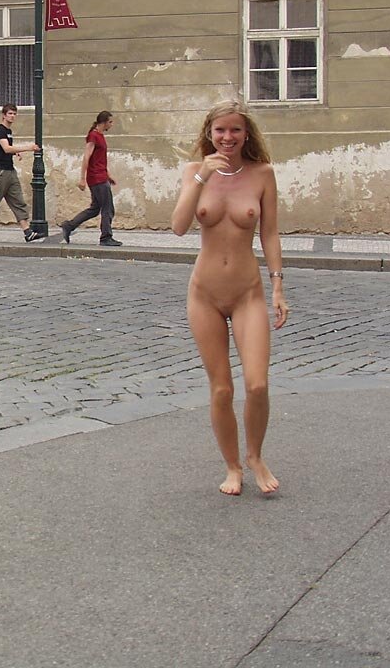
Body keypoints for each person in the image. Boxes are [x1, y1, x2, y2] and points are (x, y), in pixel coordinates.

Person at [171, 100, 289, 496]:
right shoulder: (194, 170)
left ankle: (255, 456)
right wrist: (201, 176)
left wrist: (277, 286)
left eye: (235, 129)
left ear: (246, 133)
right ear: (209, 132)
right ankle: (232, 466)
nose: (227, 137)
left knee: (257, 385)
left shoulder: (262, 174)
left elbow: (269, 233)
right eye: (220, 130)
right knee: (221, 389)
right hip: (204, 295)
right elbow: (178, 226)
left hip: (247, 294)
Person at [0, 103, 45, 243]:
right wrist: (29, 147)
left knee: (18, 201)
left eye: (14, 114)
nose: (12, 116)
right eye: (10, 113)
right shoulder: (0, 130)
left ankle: (28, 232)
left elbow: (6, 149)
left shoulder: (8, 131)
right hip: (1, 172)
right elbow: (6, 148)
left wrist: (15, 152)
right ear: (4, 115)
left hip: (10, 171)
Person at [60, 111, 121, 246]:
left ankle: (69, 226)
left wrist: (108, 176)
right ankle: (106, 237)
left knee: (95, 209)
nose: (112, 124)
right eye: (110, 122)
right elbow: (86, 157)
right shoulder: (93, 136)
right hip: (97, 178)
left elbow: (99, 160)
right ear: (103, 122)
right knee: (108, 208)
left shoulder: (100, 135)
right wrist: (82, 178)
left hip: (101, 176)